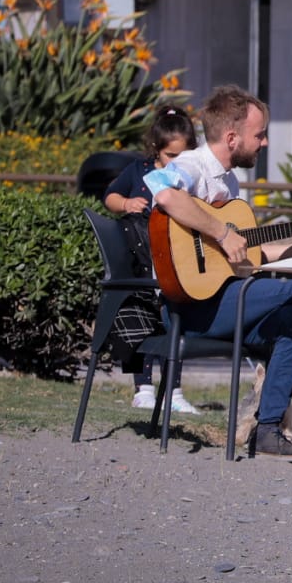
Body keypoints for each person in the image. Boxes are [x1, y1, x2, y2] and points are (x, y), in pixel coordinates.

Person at [147, 86, 292, 463]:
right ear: (231, 137)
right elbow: (162, 192)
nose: (265, 141)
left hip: (221, 297)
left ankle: (268, 430)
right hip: (189, 307)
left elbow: (242, 259)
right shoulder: (193, 165)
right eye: (259, 134)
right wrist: (221, 232)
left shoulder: (230, 186)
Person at [105, 106, 198, 416]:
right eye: (171, 156)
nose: (176, 162)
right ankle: (142, 387)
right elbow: (110, 197)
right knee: (140, 318)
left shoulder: (188, 176)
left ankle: (174, 389)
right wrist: (127, 203)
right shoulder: (137, 170)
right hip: (142, 259)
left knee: (175, 321)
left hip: (175, 260)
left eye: (182, 155)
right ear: (156, 150)